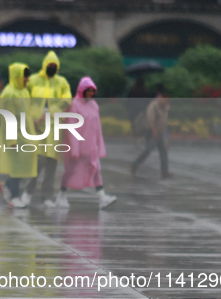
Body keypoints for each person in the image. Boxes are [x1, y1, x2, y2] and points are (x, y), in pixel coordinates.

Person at [56, 77, 117, 210]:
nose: (90, 94)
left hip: (91, 147)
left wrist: (99, 146)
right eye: (87, 91)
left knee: (96, 170)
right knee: (70, 171)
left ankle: (102, 197)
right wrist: (74, 149)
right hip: (79, 147)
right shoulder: (75, 105)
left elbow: (98, 128)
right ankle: (61, 195)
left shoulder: (94, 105)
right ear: (81, 90)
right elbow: (71, 127)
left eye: (92, 91)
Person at [23, 50, 72, 207]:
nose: (52, 67)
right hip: (36, 127)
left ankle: (47, 196)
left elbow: (66, 100)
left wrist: (50, 112)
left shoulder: (62, 82)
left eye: (54, 65)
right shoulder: (33, 80)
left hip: (55, 127)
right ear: (44, 65)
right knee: (38, 162)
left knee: (52, 163)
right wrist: (31, 117)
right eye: (49, 65)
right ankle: (27, 192)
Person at [0, 63, 38, 208]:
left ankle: (7, 185)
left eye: (27, 76)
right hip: (15, 137)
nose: (27, 79)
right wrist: (11, 140)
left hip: (26, 136)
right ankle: (14, 197)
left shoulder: (24, 92)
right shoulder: (9, 94)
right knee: (16, 167)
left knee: (26, 167)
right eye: (24, 76)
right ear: (17, 76)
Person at [131, 90, 171, 178]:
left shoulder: (165, 108)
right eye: (165, 99)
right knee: (147, 151)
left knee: (163, 152)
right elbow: (150, 120)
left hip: (160, 134)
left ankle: (164, 172)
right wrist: (154, 131)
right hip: (151, 133)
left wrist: (165, 134)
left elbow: (164, 121)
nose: (166, 102)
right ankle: (134, 165)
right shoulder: (154, 106)